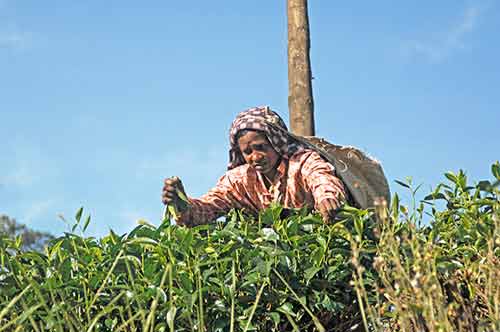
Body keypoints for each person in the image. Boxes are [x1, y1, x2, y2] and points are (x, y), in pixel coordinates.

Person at [161, 106, 347, 226]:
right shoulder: (238, 181)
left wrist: (327, 198)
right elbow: (209, 207)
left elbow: (321, 177)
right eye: (247, 152)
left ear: (276, 142)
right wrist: (182, 204)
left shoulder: (301, 163)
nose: (256, 157)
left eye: (261, 148)